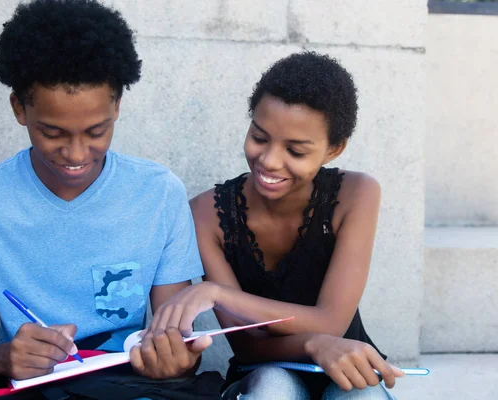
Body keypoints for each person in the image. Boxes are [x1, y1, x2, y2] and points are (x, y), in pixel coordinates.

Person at [0, 0, 214, 394]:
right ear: (19, 109)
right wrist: (2, 357)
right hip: (28, 388)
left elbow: (178, 345)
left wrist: (178, 360)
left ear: (117, 106)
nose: (77, 154)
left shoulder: (159, 194)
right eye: (53, 133)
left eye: (96, 131)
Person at [148, 52, 404, 399]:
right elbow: (248, 347)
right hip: (262, 371)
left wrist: (221, 296)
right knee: (273, 390)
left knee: (362, 395)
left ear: (334, 150)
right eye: (259, 137)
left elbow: (332, 322)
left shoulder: (356, 194)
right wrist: (313, 342)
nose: (269, 160)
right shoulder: (206, 215)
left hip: (347, 362)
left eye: (295, 151)